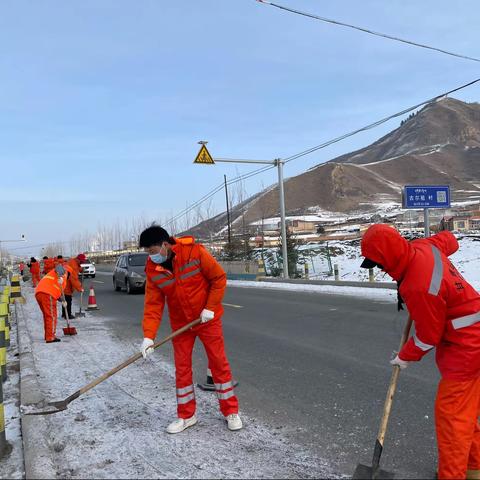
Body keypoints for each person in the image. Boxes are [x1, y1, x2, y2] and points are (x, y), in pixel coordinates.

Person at [361, 224, 480, 480]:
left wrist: (405, 356)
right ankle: (474, 468)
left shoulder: (417, 285)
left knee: (452, 418)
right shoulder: (424, 247)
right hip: (474, 333)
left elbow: (428, 336)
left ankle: (452, 476)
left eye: (379, 264)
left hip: (467, 345)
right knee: (464, 411)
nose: (380, 270)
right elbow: (450, 240)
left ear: (389, 258)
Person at [139, 225, 242, 434]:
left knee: (218, 363)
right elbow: (153, 304)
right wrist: (148, 337)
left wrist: (210, 308)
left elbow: (218, 278)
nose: (150, 257)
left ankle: (231, 411)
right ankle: (186, 416)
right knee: (182, 369)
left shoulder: (194, 252)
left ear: (164, 245)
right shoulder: (153, 269)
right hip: (181, 324)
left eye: (152, 251)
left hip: (207, 320)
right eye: (147, 253)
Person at [34, 263, 71, 343]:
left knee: (47, 316)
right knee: (51, 316)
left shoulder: (55, 277)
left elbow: (56, 290)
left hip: (39, 293)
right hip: (47, 294)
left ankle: (47, 335)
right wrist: (61, 276)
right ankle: (50, 337)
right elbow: (59, 267)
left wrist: (63, 300)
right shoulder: (64, 272)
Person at [62, 254, 86, 319]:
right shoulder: (74, 265)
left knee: (64, 299)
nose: (82, 263)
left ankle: (64, 314)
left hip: (64, 282)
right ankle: (68, 315)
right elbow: (74, 280)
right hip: (67, 284)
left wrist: (81, 269)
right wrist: (80, 288)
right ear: (78, 260)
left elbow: (77, 267)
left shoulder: (73, 261)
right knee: (68, 299)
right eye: (81, 261)